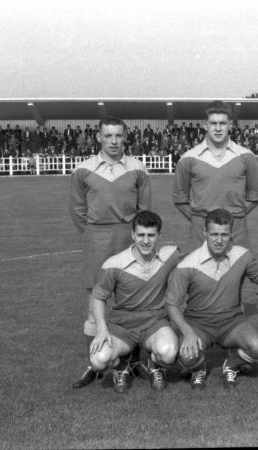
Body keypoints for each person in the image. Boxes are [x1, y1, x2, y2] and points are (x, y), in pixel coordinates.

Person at [68, 116, 151, 388]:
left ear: (125, 137)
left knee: (133, 303)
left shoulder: (138, 168)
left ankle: (133, 360)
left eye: (118, 136)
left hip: (130, 240)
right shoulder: (83, 170)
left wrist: (135, 237)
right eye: (108, 136)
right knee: (96, 307)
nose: (114, 141)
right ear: (98, 137)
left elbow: (145, 211)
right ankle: (94, 363)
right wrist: (96, 234)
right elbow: (78, 211)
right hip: (97, 241)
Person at [165, 208, 258, 389]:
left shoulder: (243, 255)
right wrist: (187, 332)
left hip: (232, 322)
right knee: (187, 357)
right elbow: (172, 305)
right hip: (198, 324)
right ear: (205, 233)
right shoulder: (187, 264)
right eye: (214, 234)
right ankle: (199, 367)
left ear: (231, 234)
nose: (219, 240)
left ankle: (231, 364)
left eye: (224, 235)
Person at [88, 211, 180, 393]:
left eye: (151, 235)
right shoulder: (114, 264)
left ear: (159, 236)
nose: (146, 241)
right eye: (141, 235)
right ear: (132, 235)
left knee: (169, 353)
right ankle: (122, 366)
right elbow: (98, 297)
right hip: (122, 326)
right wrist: (101, 329)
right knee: (98, 360)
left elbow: (197, 258)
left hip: (155, 324)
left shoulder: (170, 256)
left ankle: (154, 365)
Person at [172, 100, 258, 251]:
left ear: (230, 125)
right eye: (213, 123)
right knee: (197, 274)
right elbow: (180, 199)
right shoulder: (188, 158)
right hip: (200, 235)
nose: (218, 128)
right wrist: (202, 221)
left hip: (237, 234)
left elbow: (254, 196)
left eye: (223, 123)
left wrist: (233, 218)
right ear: (205, 125)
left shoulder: (247, 157)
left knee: (241, 274)